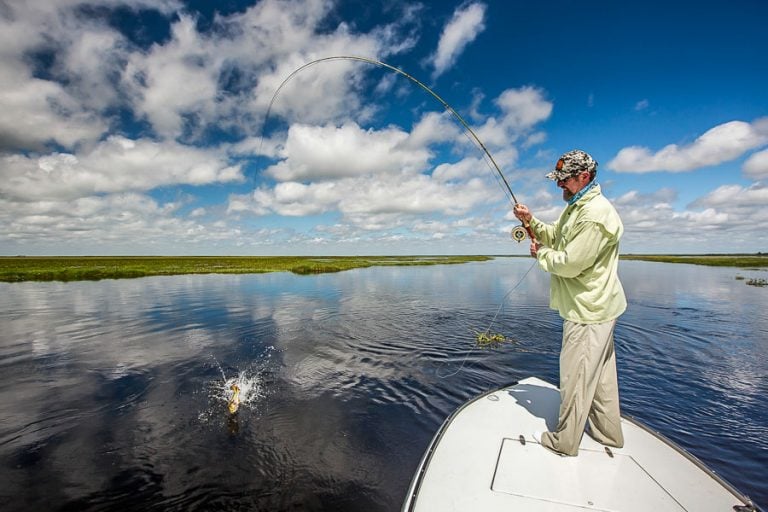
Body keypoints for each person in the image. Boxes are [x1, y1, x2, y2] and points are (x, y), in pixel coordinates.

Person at [513, 149, 626, 457]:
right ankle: (608, 435)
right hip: (598, 307)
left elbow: (570, 263)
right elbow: (558, 236)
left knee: (576, 377)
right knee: (600, 378)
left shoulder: (593, 215)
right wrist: (530, 221)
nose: (559, 185)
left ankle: (565, 442)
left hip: (588, 312)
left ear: (584, 177)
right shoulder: (578, 207)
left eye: (564, 180)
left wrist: (541, 256)